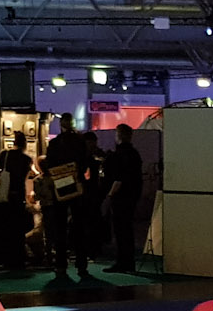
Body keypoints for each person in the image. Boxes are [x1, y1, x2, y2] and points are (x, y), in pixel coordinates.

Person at [41, 113, 98, 282]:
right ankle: (81, 264)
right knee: (79, 225)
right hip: (77, 185)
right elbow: (86, 163)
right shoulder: (80, 142)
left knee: (60, 226)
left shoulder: (55, 143)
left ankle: (61, 264)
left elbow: (48, 165)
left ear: (61, 124)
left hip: (60, 186)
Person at [102, 123, 145, 274]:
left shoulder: (119, 154)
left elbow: (118, 179)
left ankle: (122, 262)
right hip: (131, 196)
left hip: (120, 197)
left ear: (118, 135)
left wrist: (109, 196)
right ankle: (128, 262)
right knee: (127, 229)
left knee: (120, 231)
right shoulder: (134, 154)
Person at [0, 131, 35, 269]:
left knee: (5, 228)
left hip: (5, 196)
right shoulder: (27, 158)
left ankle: (6, 259)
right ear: (25, 144)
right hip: (19, 195)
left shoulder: (4, 154)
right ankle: (19, 258)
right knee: (18, 229)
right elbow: (26, 177)